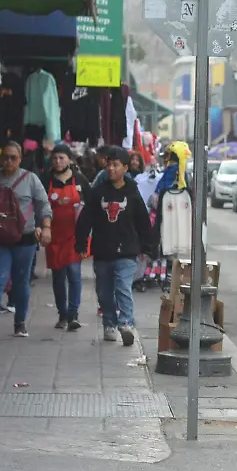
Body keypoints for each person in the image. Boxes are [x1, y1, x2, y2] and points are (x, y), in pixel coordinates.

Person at [76, 146, 156, 346]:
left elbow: (143, 221)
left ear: (125, 168)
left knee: (122, 286)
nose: (111, 169)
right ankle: (109, 324)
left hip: (127, 250)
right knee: (104, 291)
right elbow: (86, 219)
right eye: (108, 164)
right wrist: (81, 242)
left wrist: (148, 247)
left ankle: (126, 323)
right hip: (102, 250)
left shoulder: (132, 192)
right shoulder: (98, 192)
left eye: (115, 165)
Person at [0, 141, 52, 338]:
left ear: (20, 159)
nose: (9, 161)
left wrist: (45, 227)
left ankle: (20, 323)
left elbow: (43, 205)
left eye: (13, 157)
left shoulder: (31, 179)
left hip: (25, 240)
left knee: (21, 282)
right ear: (0, 158)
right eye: (6, 157)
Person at [43, 143, 90, 331]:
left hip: (75, 236)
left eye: (61, 157)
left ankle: (73, 315)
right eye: (54, 158)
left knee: (74, 274)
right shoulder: (46, 180)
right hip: (53, 236)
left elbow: (91, 204)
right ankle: (62, 314)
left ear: (70, 160)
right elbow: (39, 204)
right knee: (58, 276)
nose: (58, 161)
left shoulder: (80, 180)